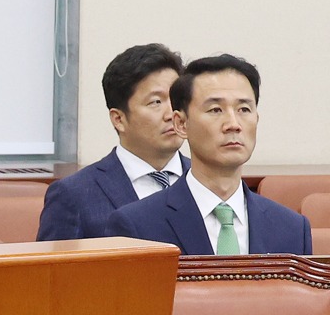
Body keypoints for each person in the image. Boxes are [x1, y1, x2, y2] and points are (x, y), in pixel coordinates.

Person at [106, 55, 311, 254]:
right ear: (181, 123)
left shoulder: (292, 228)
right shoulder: (137, 226)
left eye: (243, 109)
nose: (233, 124)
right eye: (215, 110)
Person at [38, 43, 189, 241]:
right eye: (156, 102)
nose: (172, 114)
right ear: (119, 119)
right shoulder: (74, 194)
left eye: (176, 99)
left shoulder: (207, 179)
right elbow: (55, 262)